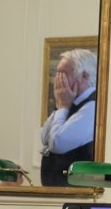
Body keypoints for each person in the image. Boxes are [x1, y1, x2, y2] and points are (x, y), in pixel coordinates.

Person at [40, 48, 97, 186]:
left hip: (75, 194)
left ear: (84, 76)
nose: (57, 79)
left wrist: (64, 105)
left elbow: (57, 144)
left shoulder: (93, 106)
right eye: (56, 73)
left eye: (63, 73)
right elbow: (44, 137)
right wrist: (62, 105)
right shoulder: (70, 101)